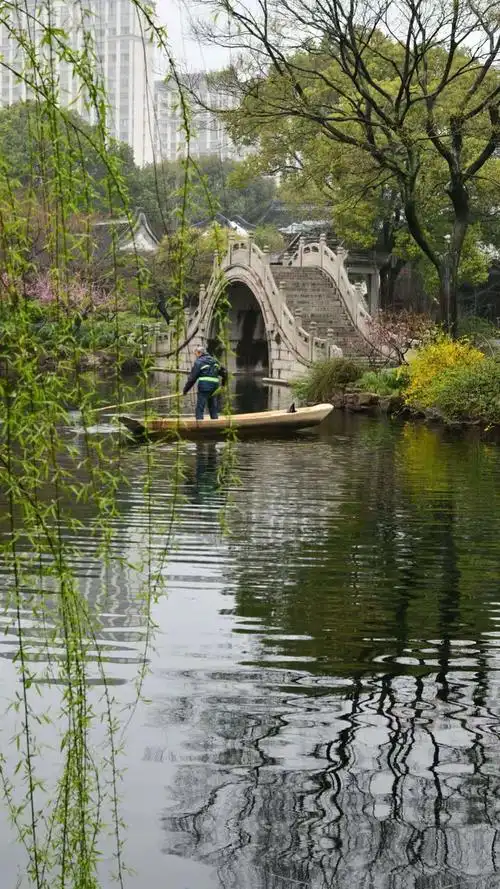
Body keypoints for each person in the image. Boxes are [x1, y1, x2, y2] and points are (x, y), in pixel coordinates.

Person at [183, 346, 227, 420]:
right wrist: (223, 385)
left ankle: (199, 426)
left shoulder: (199, 362)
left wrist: (185, 390)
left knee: (200, 407)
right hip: (215, 387)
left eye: (196, 354)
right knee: (213, 407)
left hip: (204, 387)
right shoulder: (215, 361)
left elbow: (192, 379)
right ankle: (215, 423)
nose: (196, 356)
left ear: (200, 353)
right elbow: (225, 373)